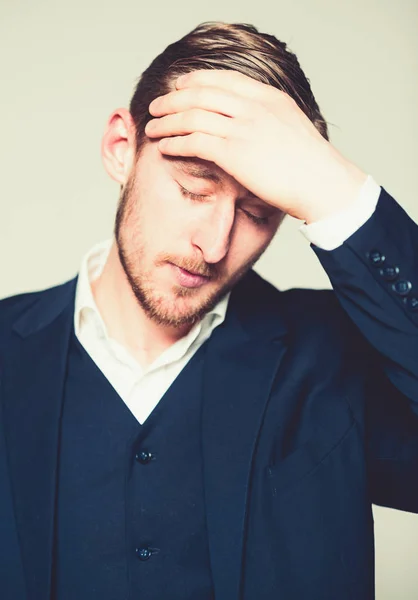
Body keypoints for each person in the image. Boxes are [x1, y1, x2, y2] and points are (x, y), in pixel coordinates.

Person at [1, 20, 417, 600]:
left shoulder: (333, 358)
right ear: (123, 149)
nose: (215, 245)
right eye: (194, 187)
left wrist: (337, 191)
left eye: (258, 212)